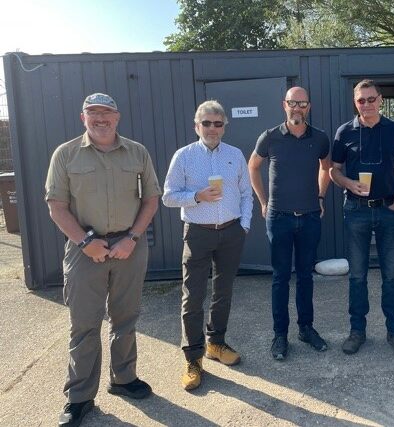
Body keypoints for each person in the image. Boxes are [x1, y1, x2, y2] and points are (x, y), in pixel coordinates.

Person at [45, 93, 161, 426]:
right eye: (93, 112)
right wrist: (85, 242)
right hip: (85, 249)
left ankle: (123, 379)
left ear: (117, 117)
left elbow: (151, 199)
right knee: (84, 325)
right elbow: (57, 206)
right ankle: (79, 397)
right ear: (83, 118)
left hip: (129, 246)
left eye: (106, 112)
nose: (100, 118)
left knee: (125, 318)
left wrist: (132, 239)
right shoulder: (66, 154)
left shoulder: (137, 152)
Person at [162, 100, 253, 390]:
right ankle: (193, 358)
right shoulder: (184, 156)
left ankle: (216, 343)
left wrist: (244, 225)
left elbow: (246, 193)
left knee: (223, 292)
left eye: (218, 123)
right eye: (206, 123)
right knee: (193, 296)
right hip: (198, 233)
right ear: (196, 126)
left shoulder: (235, 155)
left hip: (230, 232)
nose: (212, 128)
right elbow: (168, 196)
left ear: (224, 126)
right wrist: (197, 196)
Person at [248, 86, 331, 360]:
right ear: (284, 104)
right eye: (293, 103)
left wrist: (320, 195)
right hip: (279, 218)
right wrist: (263, 201)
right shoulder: (270, 137)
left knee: (306, 276)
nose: (297, 108)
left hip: (309, 218)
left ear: (309, 106)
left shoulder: (319, 138)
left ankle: (306, 329)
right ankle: (280, 335)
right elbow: (253, 167)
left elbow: (326, 168)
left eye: (303, 103)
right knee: (280, 277)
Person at [330, 79, 394, 357]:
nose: (366, 104)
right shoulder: (345, 132)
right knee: (357, 276)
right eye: (361, 100)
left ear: (381, 100)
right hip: (356, 210)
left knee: (391, 275)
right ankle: (357, 331)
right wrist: (349, 184)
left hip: (388, 210)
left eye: (371, 99)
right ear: (355, 103)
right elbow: (334, 170)